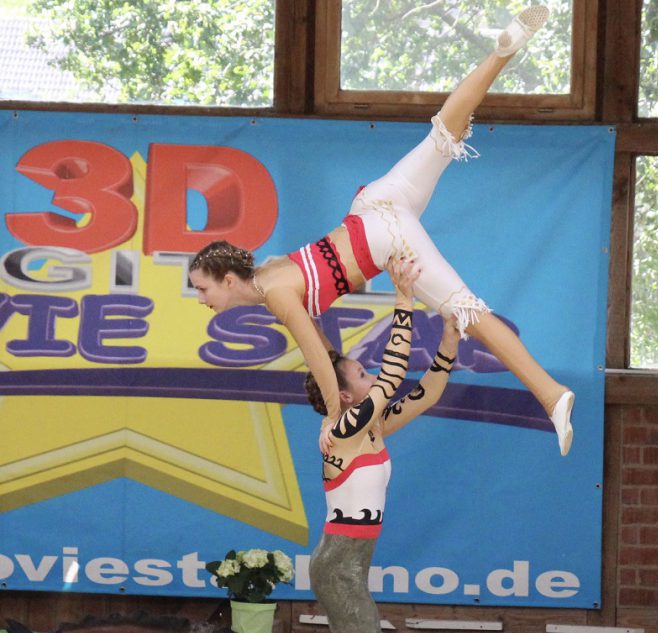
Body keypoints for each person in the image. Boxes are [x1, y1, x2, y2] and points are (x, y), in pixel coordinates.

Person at [189, 5, 575, 458]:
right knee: (442, 135)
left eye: (202, 288)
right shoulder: (270, 276)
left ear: (228, 280)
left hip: (382, 235)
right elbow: (327, 351)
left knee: (468, 312)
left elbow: (316, 356)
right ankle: (501, 52)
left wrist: (335, 417)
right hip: (372, 204)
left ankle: (552, 396)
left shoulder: (276, 294)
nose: (200, 298)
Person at [304, 255, 457, 633]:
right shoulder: (341, 431)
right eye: (361, 375)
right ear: (343, 395)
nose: (371, 379)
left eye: (367, 373)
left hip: (349, 566)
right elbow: (393, 380)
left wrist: (447, 337)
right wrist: (402, 301)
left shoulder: (369, 429)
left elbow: (426, 391)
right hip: (340, 567)